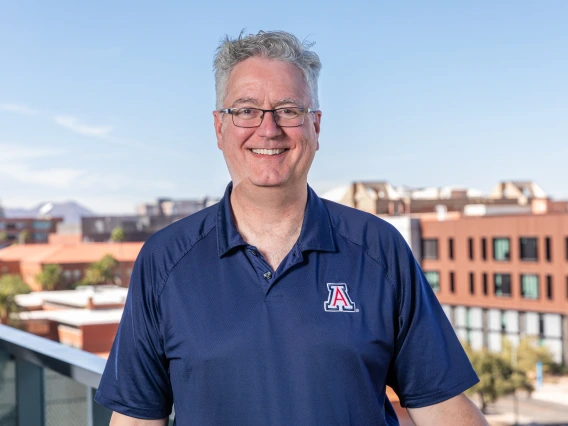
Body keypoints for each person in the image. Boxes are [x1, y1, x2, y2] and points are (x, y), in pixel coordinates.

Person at [95, 30, 488, 425]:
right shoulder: (164, 262)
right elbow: (136, 419)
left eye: (288, 110)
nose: (269, 129)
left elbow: (441, 408)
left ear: (315, 126)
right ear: (219, 128)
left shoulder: (380, 249)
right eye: (246, 110)